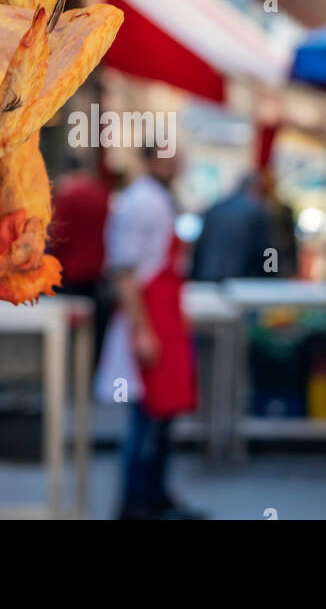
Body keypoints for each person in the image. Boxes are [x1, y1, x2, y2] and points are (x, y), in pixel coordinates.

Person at [104, 144, 200, 519]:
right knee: (146, 419)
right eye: (165, 156)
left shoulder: (158, 199)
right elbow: (125, 274)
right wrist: (143, 331)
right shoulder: (142, 202)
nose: (173, 162)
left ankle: (156, 496)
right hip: (149, 320)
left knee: (161, 419)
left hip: (163, 318)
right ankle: (136, 502)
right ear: (148, 159)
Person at [50, 153, 112, 368]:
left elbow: (58, 236)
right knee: (93, 331)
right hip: (95, 273)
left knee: (66, 330)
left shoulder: (66, 195)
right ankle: (88, 370)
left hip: (69, 274)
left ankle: (67, 371)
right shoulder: (101, 194)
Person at [189, 174, 274, 281]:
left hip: (206, 276)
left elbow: (199, 246)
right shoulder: (255, 211)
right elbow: (265, 251)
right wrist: (272, 275)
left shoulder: (215, 208)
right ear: (256, 188)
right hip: (239, 280)